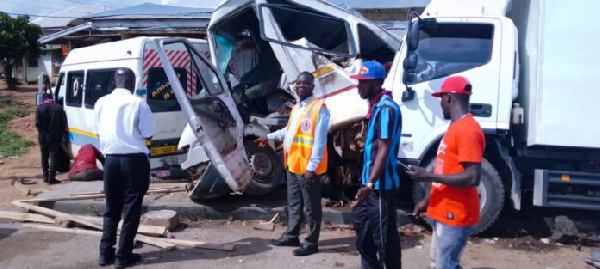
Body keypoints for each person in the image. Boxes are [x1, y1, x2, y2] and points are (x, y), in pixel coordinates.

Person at [406, 76, 484, 269]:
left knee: (447, 265)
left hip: (455, 213)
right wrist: (427, 199)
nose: (440, 104)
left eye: (441, 99)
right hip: (443, 209)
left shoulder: (467, 131)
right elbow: (445, 168)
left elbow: (473, 177)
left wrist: (427, 176)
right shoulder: (455, 127)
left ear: (448, 97)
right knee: (438, 263)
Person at [256, 71, 330, 256]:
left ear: (312, 87)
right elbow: (289, 131)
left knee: (311, 206)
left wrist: (312, 168)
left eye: (305, 84)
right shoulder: (297, 107)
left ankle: (311, 242)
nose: (301, 86)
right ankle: (292, 235)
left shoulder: (319, 108)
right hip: (293, 164)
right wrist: (269, 137)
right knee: (294, 203)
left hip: (307, 168)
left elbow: (320, 142)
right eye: (298, 83)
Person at [94, 68, 156, 268]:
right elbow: (148, 133)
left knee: (111, 207)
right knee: (131, 209)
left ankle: (105, 254)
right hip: (134, 161)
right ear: (133, 83)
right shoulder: (138, 103)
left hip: (110, 160)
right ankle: (123, 256)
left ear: (115, 82)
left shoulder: (101, 103)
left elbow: (98, 130)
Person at [349, 60, 402, 269]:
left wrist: (370, 185)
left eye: (363, 82)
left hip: (380, 187)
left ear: (376, 83)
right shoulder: (375, 107)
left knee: (384, 240)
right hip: (369, 185)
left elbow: (384, 149)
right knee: (363, 233)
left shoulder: (386, 109)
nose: (358, 86)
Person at [35, 93, 67, 184]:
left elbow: (37, 124)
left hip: (43, 137)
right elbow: (64, 123)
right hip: (55, 136)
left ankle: (45, 176)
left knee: (44, 157)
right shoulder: (59, 108)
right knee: (53, 155)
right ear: (52, 99)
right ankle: (52, 177)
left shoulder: (39, 109)